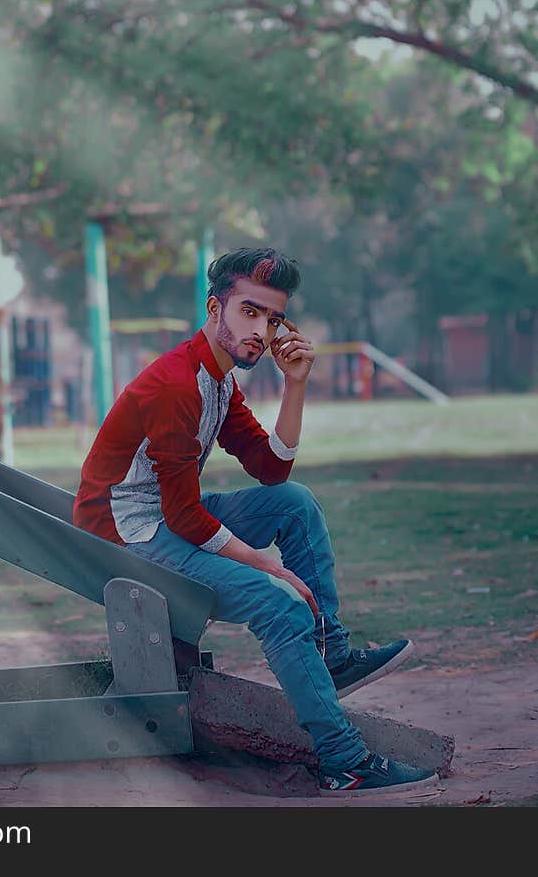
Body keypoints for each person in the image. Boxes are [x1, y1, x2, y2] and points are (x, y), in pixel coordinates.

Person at [73, 246, 438, 795]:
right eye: (249, 312)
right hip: (127, 534)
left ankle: (332, 656)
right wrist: (269, 567)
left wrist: (295, 384)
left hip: (167, 517)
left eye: (271, 318)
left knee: (295, 501)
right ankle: (345, 763)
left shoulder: (218, 379)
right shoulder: (176, 385)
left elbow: (271, 468)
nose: (261, 331)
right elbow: (184, 515)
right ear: (214, 307)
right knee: (279, 603)